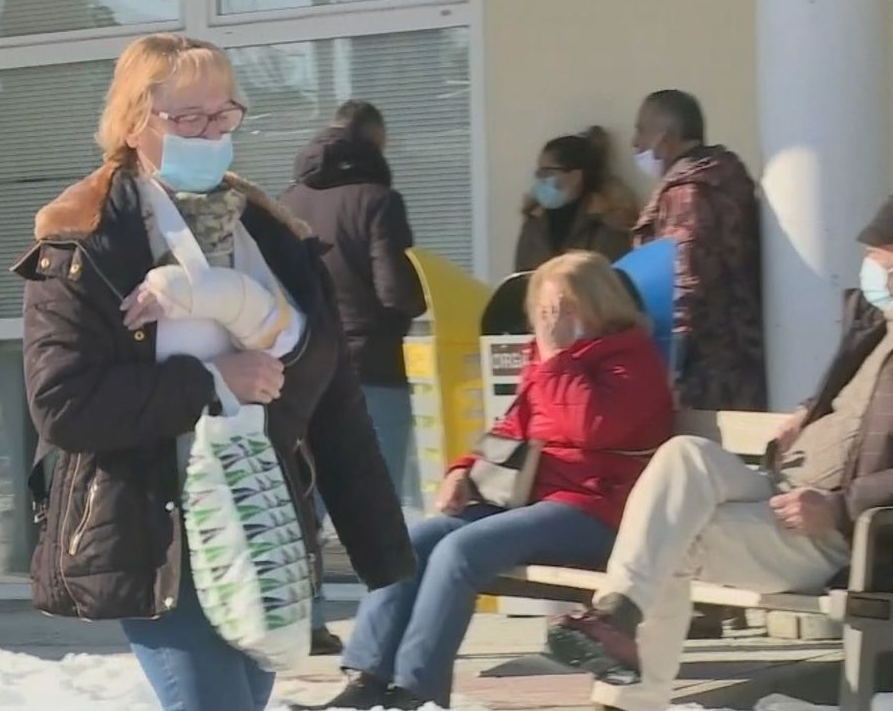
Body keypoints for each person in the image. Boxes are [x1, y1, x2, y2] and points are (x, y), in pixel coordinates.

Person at [13, 33, 415, 711]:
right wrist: (213, 380)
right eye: (189, 118)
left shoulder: (273, 235)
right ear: (134, 123)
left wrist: (383, 551)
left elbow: (333, 399)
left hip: (257, 520)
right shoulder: (84, 238)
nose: (211, 134)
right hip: (153, 531)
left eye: (224, 114)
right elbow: (63, 402)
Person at [547, 193, 893, 711]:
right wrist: (809, 412)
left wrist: (840, 507)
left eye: (878, 258)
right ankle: (617, 617)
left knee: (671, 542)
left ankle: (624, 694)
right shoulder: (879, 322)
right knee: (685, 453)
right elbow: (857, 402)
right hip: (781, 487)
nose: (868, 269)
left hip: (838, 530)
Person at [295, 251, 675, 710]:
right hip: (532, 499)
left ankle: (416, 690)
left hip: (592, 505)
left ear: (598, 303)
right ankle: (366, 678)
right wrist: (462, 471)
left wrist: (556, 359)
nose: (549, 321)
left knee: (461, 552)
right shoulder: (553, 359)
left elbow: (591, 427)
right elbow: (511, 429)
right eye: (543, 310)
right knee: (410, 543)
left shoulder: (630, 359)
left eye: (561, 308)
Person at [279, 100, 428, 655]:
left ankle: (302, 620)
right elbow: (395, 290)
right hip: (371, 368)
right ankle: (381, 634)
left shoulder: (287, 201)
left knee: (307, 498)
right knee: (377, 502)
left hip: (302, 367)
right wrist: (421, 299)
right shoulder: (379, 200)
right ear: (373, 143)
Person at [630, 89, 766, 412]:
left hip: (704, 371)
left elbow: (682, 279)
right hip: (738, 359)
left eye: (641, 130)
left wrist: (671, 363)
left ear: (666, 139)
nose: (635, 143)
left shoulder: (686, 196)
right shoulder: (722, 180)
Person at [514, 126, 638, 272]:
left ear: (576, 176)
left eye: (547, 171)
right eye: (539, 171)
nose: (539, 178)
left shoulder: (609, 224)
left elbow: (613, 281)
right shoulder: (534, 223)